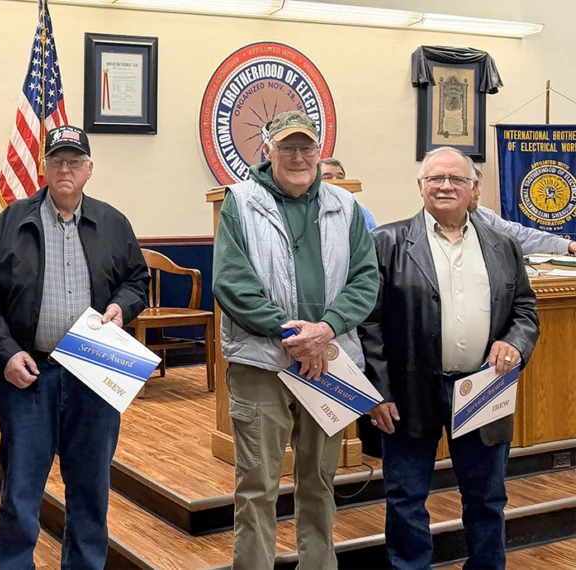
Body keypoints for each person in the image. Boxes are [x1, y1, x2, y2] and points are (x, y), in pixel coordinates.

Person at [0, 125, 149, 570]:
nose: (65, 169)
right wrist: (6, 353)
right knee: (20, 492)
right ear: (44, 168)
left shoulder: (113, 223)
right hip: (30, 376)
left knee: (90, 491)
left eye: (74, 161)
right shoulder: (10, 223)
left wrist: (121, 307)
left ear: (89, 169)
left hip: (95, 374)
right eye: (57, 161)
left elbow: (136, 282)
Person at [213, 111, 379, 570]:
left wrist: (325, 331)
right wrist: (292, 334)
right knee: (257, 487)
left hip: (328, 362)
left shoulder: (345, 206)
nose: (298, 157)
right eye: (288, 147)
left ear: (320, 152)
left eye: (307, 147)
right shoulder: (239, 202)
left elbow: (366, 279)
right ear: (268, 151)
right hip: (262, 363)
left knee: (320, 483)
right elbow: (231, 283)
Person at [360, 147, 539, 570]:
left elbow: (525, 310)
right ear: (420, 186)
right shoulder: (385, 242)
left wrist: (515, 344)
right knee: (405, 499)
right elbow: (368, 323)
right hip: (408, 390)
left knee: (487, 498)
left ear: (474, 188)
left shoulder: (503, 245)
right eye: (436, 178)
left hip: (483, 388)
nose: (445, 186)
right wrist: (378, 393)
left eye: (457, 179)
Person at [469, 169, 576, 255]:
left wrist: (569, 245)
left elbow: (521, 236)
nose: (478, 194)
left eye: (479, 186)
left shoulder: (485, 216)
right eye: (473, 187)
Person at [319, 157, 378, 231]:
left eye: (339, 178)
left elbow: (371, 234)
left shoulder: (359, 210)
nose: (336, 181)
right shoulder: (311, 209)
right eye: (327, 178)